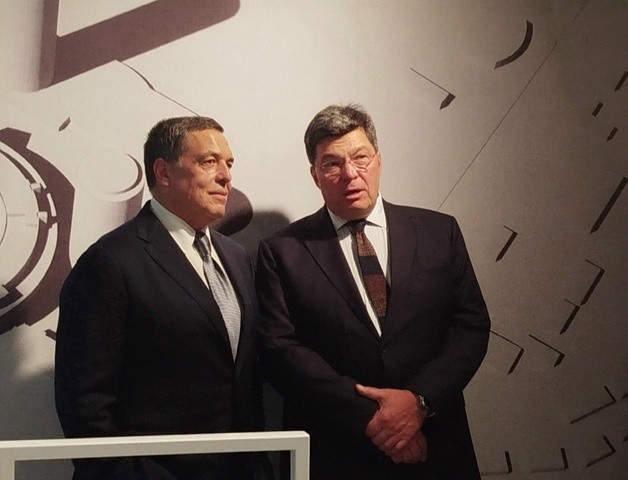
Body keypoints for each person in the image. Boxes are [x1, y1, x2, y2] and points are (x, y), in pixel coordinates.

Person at [256, 104, 490, 479]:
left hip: (438, 444)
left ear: (378, 160)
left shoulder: (438, 231)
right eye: (332, 164)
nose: (350, 173)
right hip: (338, 452)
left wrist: (418, 402)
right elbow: (279, 349)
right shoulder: (282, 251)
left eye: (360, 157)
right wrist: (375, 418)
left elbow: (471, 326)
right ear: (315, 175)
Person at [55, 116, 271, 480]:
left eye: (229, 164)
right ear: (163, 172)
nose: (225, 177)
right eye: (209, 162)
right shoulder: (109, 261)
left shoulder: (236, 257)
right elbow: (85, 401)